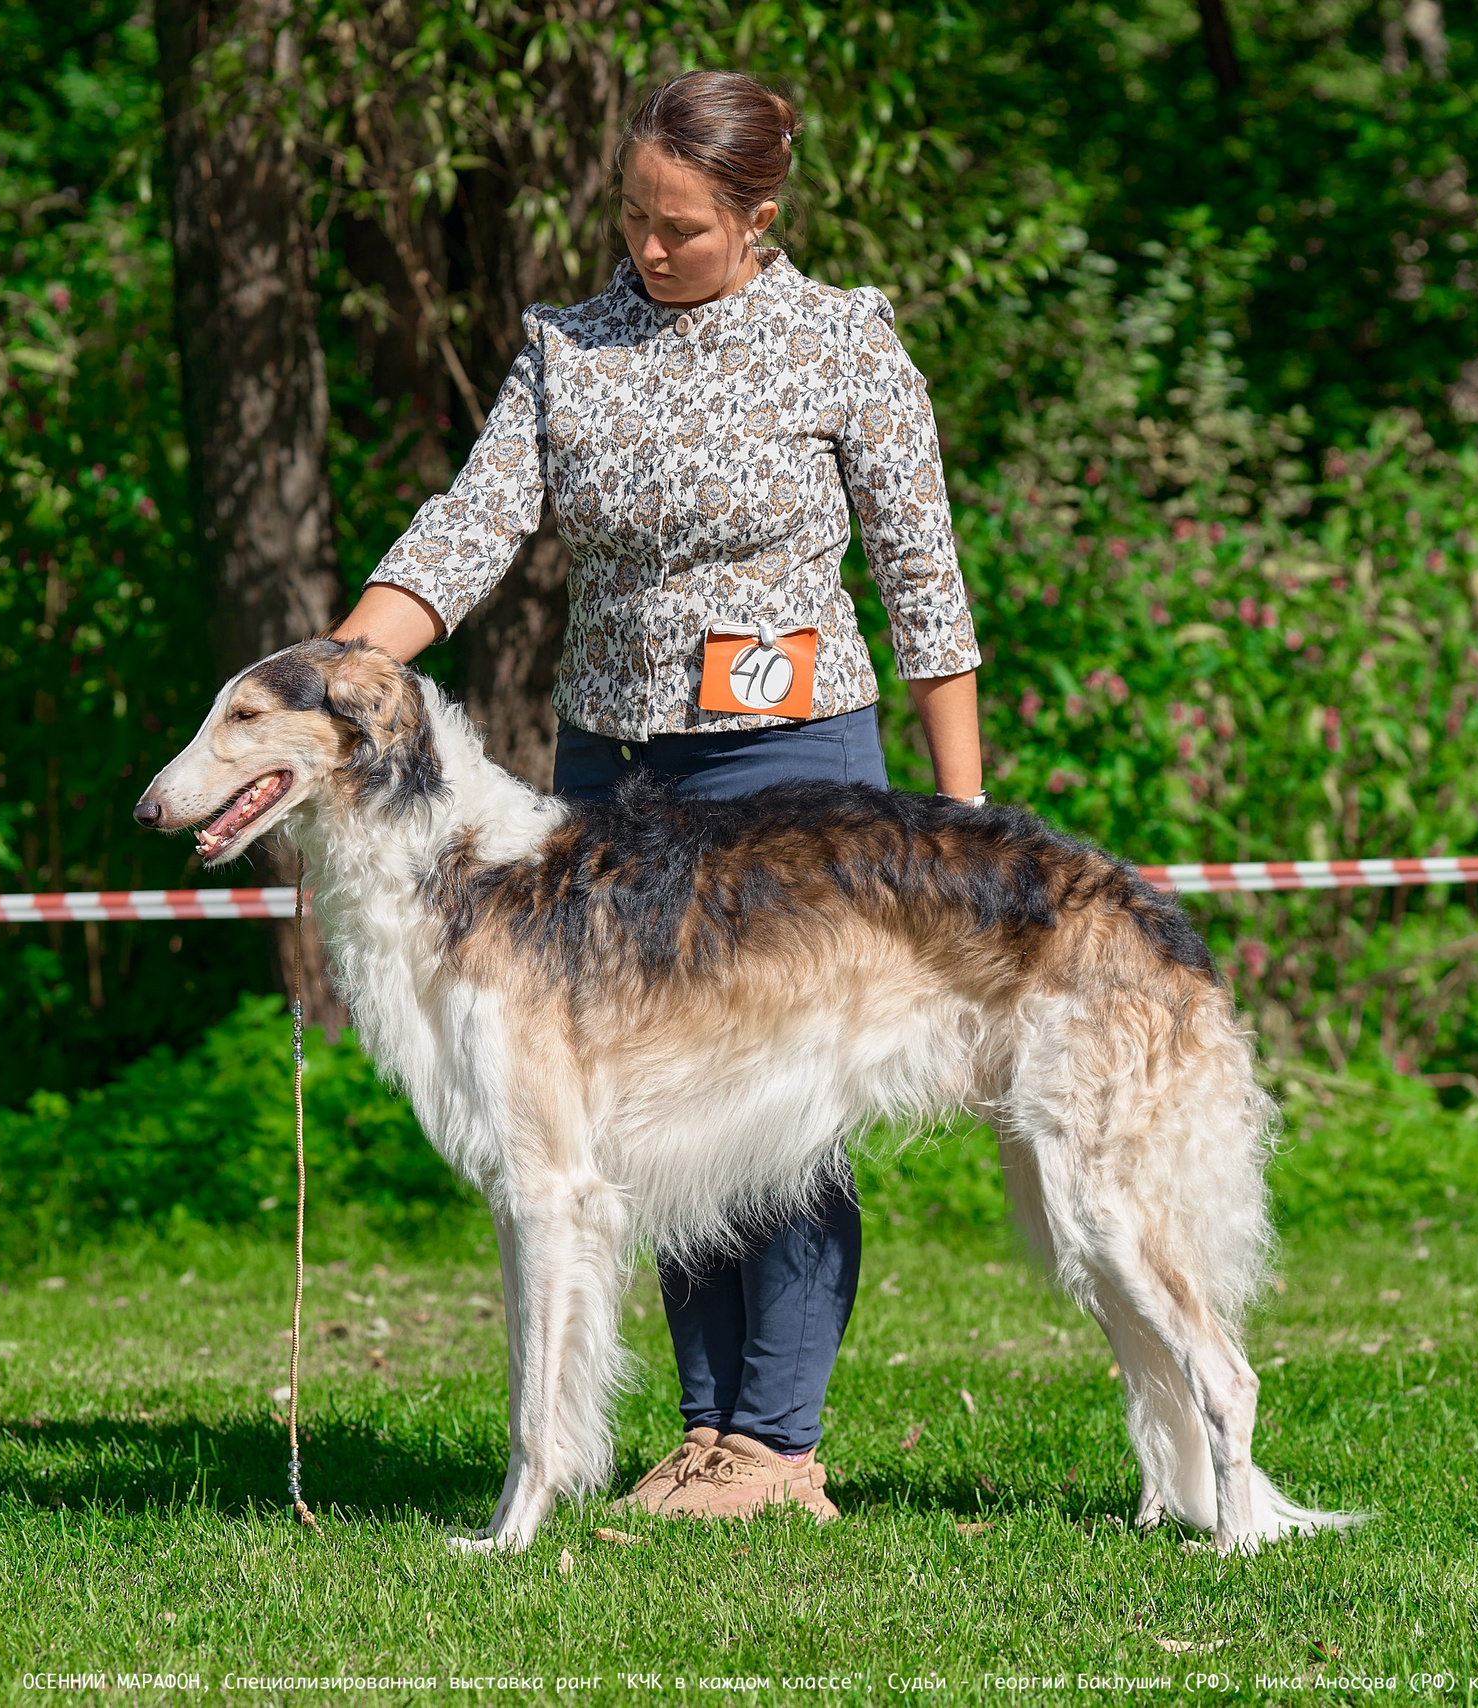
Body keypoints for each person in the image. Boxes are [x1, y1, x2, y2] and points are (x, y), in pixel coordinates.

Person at [329, 67, 985, 1522]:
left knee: (792, 1104)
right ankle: (698, 1433)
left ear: (759, 217)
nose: (647, 247)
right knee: (646, 1104)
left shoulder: (842, 343)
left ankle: (778, 1442)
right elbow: (473, 522)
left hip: (795, 766)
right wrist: (342, 661)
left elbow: (926, 590)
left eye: (680, 225)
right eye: (632, 217)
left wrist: (960, 828)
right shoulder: (572, 344)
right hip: (616, 774)